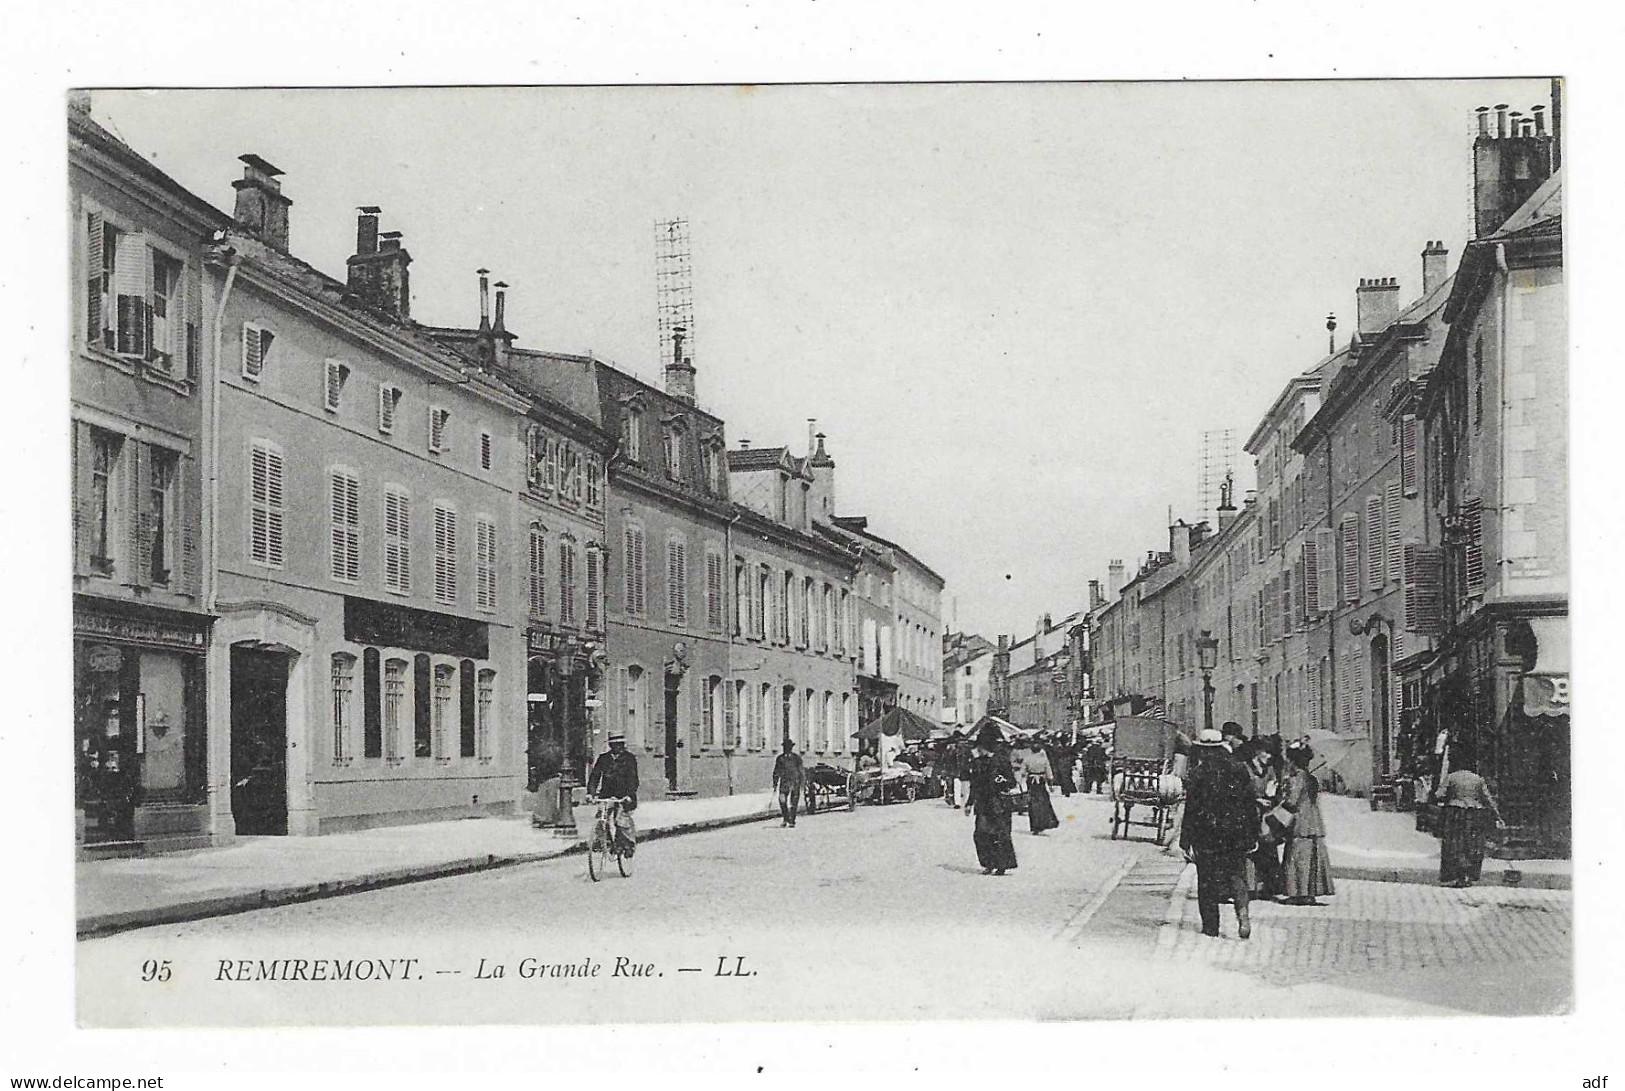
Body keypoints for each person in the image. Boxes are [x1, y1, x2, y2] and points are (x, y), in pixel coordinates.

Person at [1179, 726, 1257, 939]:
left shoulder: (1198, 774)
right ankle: (1243, 916)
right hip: (1236, 833)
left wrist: (1185, 840)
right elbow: (1250, 803)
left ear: (1204, 749)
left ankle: (1211, 926)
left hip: (1207, 835)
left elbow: (1191, 810)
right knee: (1237, 875)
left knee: (1207, 880)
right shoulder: (1239, 768)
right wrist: (1253, 833)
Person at [1437, 750, 1506, 887]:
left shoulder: (1451, 777)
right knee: (1473, 844)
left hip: (1455, 814)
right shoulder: (1478, 779)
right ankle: (1469, 874)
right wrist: (1498, 816)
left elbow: (1439, 794)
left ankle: (1458, 875)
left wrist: (1450, 797)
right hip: (1474, 814)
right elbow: (1488, 799)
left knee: (1455, 845)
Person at [1278, 743, 1335, 905]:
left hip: (1300, 822)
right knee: (1312, 858)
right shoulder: (1311, 778)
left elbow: (1291, 801)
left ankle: (1298, 894)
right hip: (1314, 821)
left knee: (1297, 858)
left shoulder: (1295, 778)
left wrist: (1282, 790)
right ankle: (1310, 892)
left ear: (1292, 760)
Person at [965, 724, 1019, 874]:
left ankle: (1001, 865)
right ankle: (988, 863)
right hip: (982, 804)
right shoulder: (977, 763)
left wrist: (999, 781)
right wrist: (969, 803)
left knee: (1000, 834)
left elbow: (1012, 782)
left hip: (998, 803)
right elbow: (974, 784)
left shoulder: (1001, 760)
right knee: (981, 834)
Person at [586, 731, 640, 856]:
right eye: (613, 745)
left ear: (622, 745)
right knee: (601, 816)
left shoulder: (629, 758)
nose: (616, 747)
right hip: (606, 795)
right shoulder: (603, 758)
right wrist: (591, 793)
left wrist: (629, 795)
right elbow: (595, 776)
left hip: (624, 796)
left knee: (620, 820)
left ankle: (628, 844)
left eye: (619, 744)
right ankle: (602, 841)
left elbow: (633, 779)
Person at [1023, 741, 1059, 834]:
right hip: (1041, 780)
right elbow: (1048, 771)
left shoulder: (1027, 759)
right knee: (1043, 801)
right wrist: (1050, 781)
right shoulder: (1044, 759)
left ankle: (1035, 826)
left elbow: (1023, 771)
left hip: (1031, 781)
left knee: (1033, 802)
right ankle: (1044, 822)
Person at [772, 739, 807, 828]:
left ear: (791, 748)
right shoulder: (780, 758)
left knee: (793, 803)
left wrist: (802, 783)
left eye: (788, 747)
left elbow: (801, 771)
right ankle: (785, 818)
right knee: (782, 801)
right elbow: (776, 771)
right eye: (785, 747)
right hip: (784, 783)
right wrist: (775, 783)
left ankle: (792, 821)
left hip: (794, 782)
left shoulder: (796, 758)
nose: (787, 749)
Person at [938, 733, 963, 806]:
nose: (951, 745)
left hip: (956, 772)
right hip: (949, 772)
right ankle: (951, 798)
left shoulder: (957, 752)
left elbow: (960, 762)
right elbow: (943, 762)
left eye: (952, 744)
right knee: (950, 786)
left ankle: (957, 802)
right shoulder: (946, 753)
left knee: (956, 786)